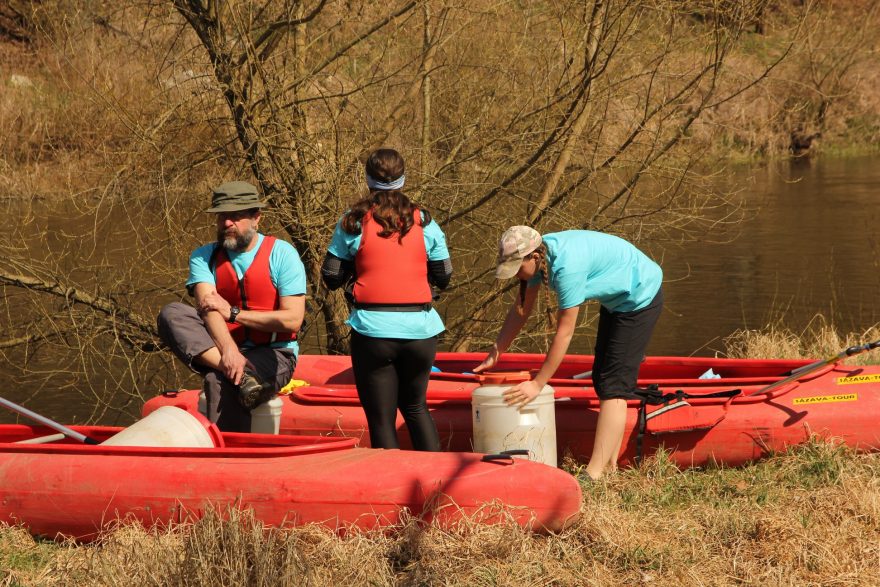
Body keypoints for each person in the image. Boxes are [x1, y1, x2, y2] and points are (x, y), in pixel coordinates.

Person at [473, 226, 663, 480]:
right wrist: (496, 353)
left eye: (518, 268)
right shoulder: (540, 260)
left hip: (640, 294)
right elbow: (521, 310)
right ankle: (610, 468)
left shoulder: (566, 269)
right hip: (617, 300)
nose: (517, 275)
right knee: (604, 379)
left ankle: (595, 473)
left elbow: (564, 333)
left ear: (534, 257)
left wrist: (538, 384)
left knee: (613, 385)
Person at [321, 148, 452, 451]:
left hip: (373, 331)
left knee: (382, 421)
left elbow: (330, 276)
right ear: (403, 179)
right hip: (421, 331)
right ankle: (437, 485)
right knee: (416, 408)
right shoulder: (424, 221)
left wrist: (356, 272)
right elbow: (444, 275)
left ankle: (394, 494)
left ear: (367, 179)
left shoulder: (353, 222)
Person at [157, 181, 306, 432]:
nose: (227, 223)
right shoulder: (203, 256)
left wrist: (234, 313)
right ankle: (241, 373)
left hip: (275, 353)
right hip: (224, 349)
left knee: (220, 380)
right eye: (222, 217)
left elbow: (292, 320)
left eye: (235, 216)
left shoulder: (283, 255)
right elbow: (208, 308)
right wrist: (229, 351)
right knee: (171, 314)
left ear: (256, 218)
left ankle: (230, 460)